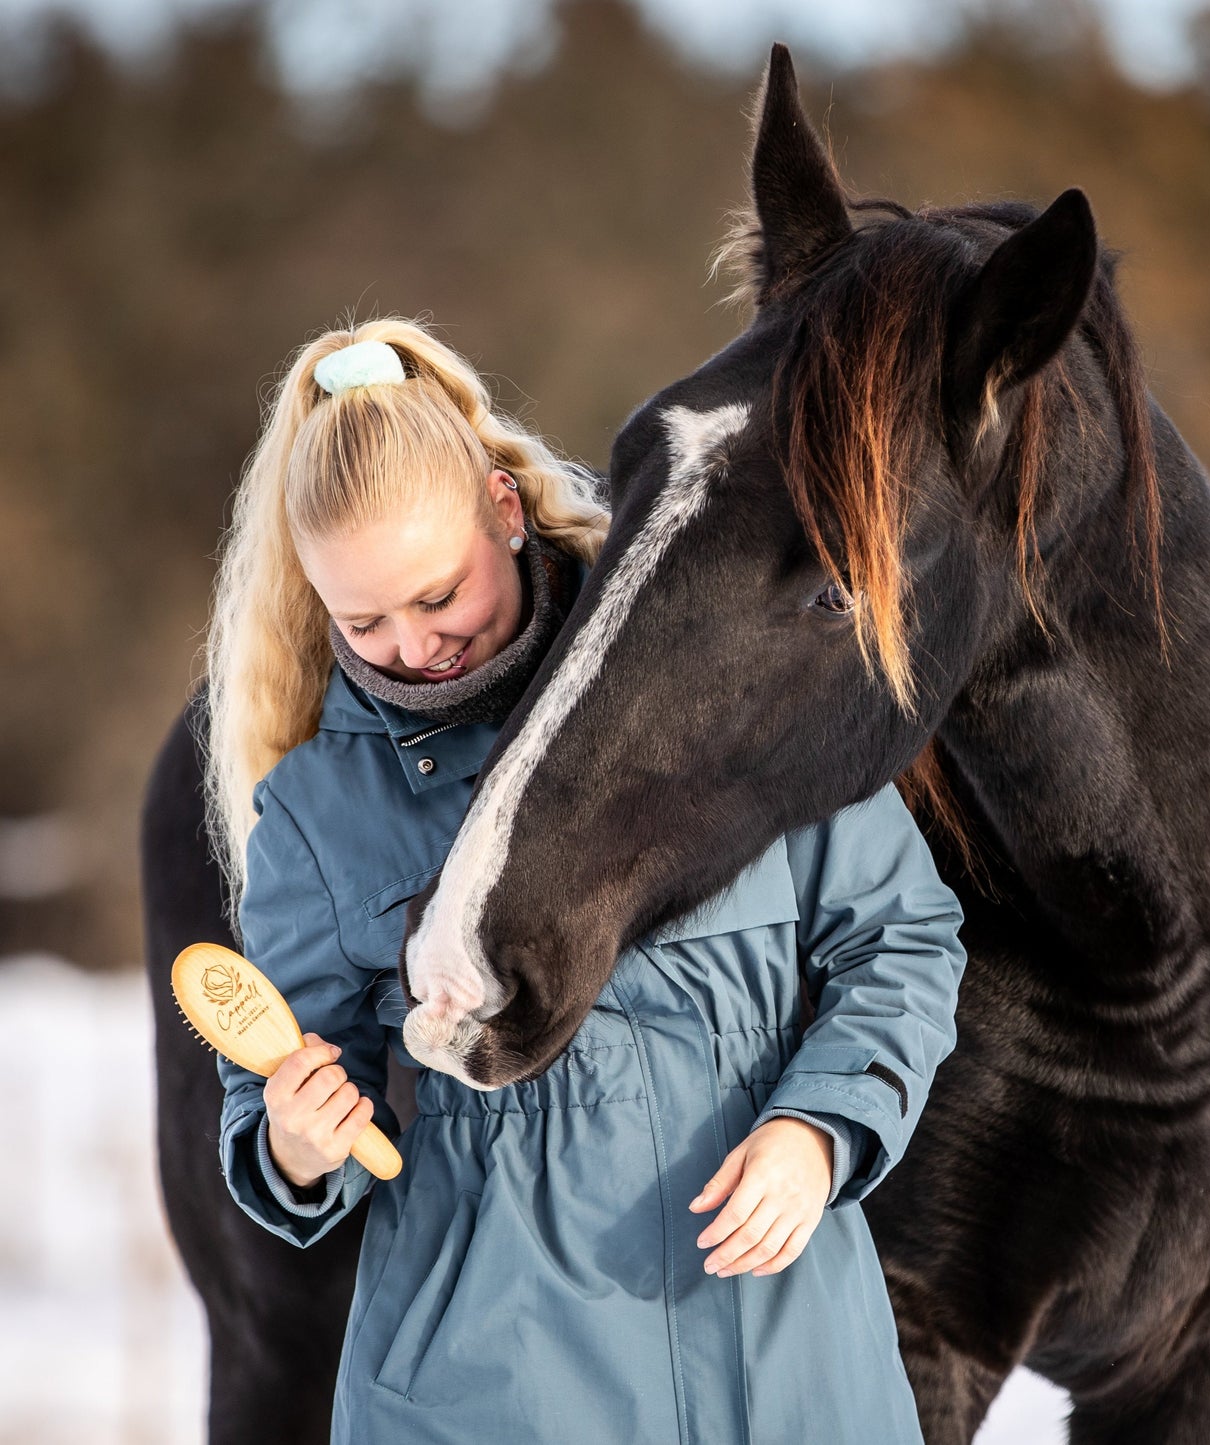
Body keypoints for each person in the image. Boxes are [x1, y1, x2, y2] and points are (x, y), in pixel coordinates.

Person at [207, 316, 968, 1444]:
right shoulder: (318, 819)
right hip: (493, 1394)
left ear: (504, 512)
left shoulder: (723, 675)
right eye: (360, 620)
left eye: (436, 596)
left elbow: (898, 935)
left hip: (787, 1369)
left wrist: (819, 1129)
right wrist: (297, 1142)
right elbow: (276, 1109)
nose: (413, 648)